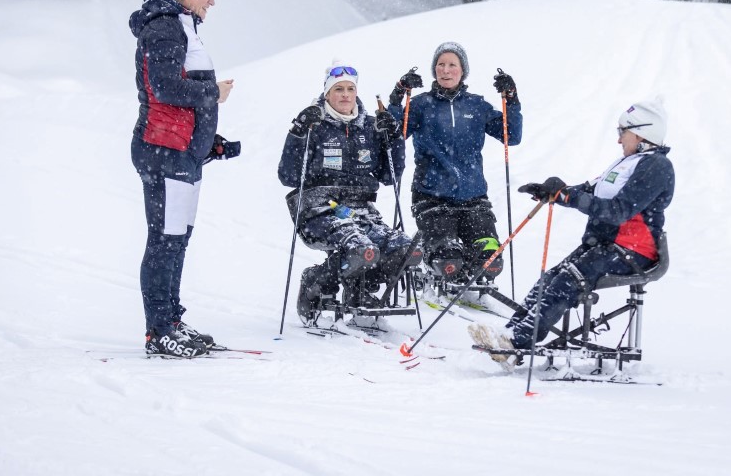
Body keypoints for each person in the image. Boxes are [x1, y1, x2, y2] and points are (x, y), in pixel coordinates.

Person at [469, 98, 674, 365]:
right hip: (605, 246)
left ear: (641, 132)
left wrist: (569, 199)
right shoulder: (628, 162)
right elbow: (588, 189)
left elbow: (619, 210)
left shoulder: (656, 166)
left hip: (633, 252)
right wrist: (556, 192)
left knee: (567, 282)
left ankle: (518, 342)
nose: (619, 139)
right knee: (551, 278)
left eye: (622, 132)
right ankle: (510, 333)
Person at [130, 0, 239, 358]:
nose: (213, 2)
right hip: (163, 150)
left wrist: (209, 141)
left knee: (178, 241)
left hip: (182, 150)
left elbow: (182, 93)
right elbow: (165, 87)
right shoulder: (164, 26)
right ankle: (159, 330)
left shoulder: (183, 26)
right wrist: (214, 93)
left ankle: (171, 320)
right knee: (165, 241)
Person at [279, 62, 420, 324]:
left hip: (362, 210)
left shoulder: (369, 126)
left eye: (350, 89)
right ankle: (316, 282)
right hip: (319, 208)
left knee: (404, 249)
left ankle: (361, 291)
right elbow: (287, 176)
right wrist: (297, 133)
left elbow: (390, 176)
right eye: (339, 89)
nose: (345, 94)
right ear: (327, 93)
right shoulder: (314, 123)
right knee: (361, 249)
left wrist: (395, 138)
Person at [386, 41, 522, 287]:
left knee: (491, 259)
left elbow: (511, 135)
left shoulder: (476, 105)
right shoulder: (420, 105)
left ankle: (472, 275)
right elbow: (393, 136)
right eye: (440, 65)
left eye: (452, 65)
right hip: (432, 198)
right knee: (448, 258)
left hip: (473, 198)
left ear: (463, 71)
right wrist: (397, 98)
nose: (445, 70)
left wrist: (511, 98)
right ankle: (433, 271)